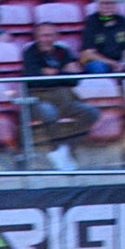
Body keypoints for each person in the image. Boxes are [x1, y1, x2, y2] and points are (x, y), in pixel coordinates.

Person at [22, 21, 97, 170]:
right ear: (37, 37)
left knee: (91, 113)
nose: (46, 39)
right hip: (39, 100)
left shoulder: (63, 52)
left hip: (65, 99)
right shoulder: (30, 53)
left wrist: (52, 74)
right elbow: (33, 82)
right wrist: (62, 74)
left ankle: (68, 148)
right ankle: (57, 149)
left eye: (50, 35)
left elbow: (74, 79)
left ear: (56, 37)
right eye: (43, 35)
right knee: (49, 112)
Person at [78, 0, 125, 73]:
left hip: (120, 62)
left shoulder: (123, 21)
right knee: (98, 67)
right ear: (98, 5)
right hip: (101, 62)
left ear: (115, 5)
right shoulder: (91, 22)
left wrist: (124, 64)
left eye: (111, 3)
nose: (107, 6)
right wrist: (112, 63)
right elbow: (89, 53)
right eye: (104, 3)